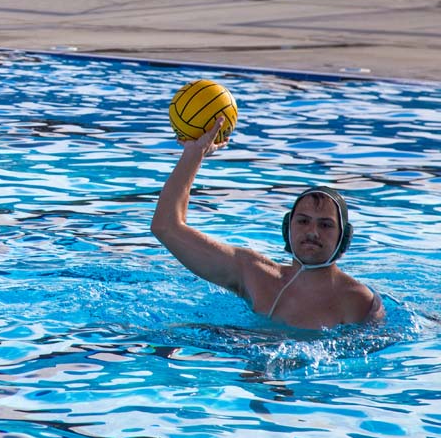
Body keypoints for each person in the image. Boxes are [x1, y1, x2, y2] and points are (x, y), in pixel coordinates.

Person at [151, 116, 383, 329]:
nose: (312, 231)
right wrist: (194, 153)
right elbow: (166, 227)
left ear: (343, 238)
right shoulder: (254, 274)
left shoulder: (358, 301)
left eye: (325, 225)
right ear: (287, 228)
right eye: (303, 221)